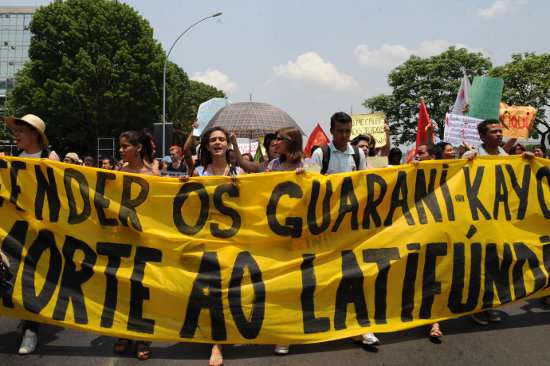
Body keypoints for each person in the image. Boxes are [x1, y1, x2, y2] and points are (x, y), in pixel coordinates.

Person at [310, 112, 378, 347]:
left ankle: (360, 327)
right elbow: (311, 188)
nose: (344, 135)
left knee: (355, 276)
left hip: (351, 227)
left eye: (348, 131)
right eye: (340, 131)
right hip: (326, 228)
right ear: (331, 130)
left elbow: (366, 184)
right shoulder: (320, 154)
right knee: (324, 276)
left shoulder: (358, 154)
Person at [184, 127, 242, 366]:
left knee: (228, 291)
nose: (217, 143)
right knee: (213, 289)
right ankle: (216, 342)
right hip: (206, 239)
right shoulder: (198, 171)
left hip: (233, 241)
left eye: (221, 139)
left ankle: (219, 339)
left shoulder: (239, 171)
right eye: (213, 140)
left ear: (227, 144)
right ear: (207, 146)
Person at [4, 113, 59, 355]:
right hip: (17, 228)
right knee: (17, 274)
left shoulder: (50, 157)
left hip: (44, 229)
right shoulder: (14, 159)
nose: (16, 135)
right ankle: (27, 320)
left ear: (35, 134)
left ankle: (31, 329)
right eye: (15, 131)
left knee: (34, 277)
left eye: (20, 131)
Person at [113, 130, 159, 360]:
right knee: (123, 286)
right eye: (120, 147)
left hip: (146, 239)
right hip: (123, 237)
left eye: (124, 146)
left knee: (142, 289)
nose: (121, 151)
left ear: (138, 147)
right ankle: (124, 332)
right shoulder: (119, 171)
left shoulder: (155, 172)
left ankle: (142, 337)